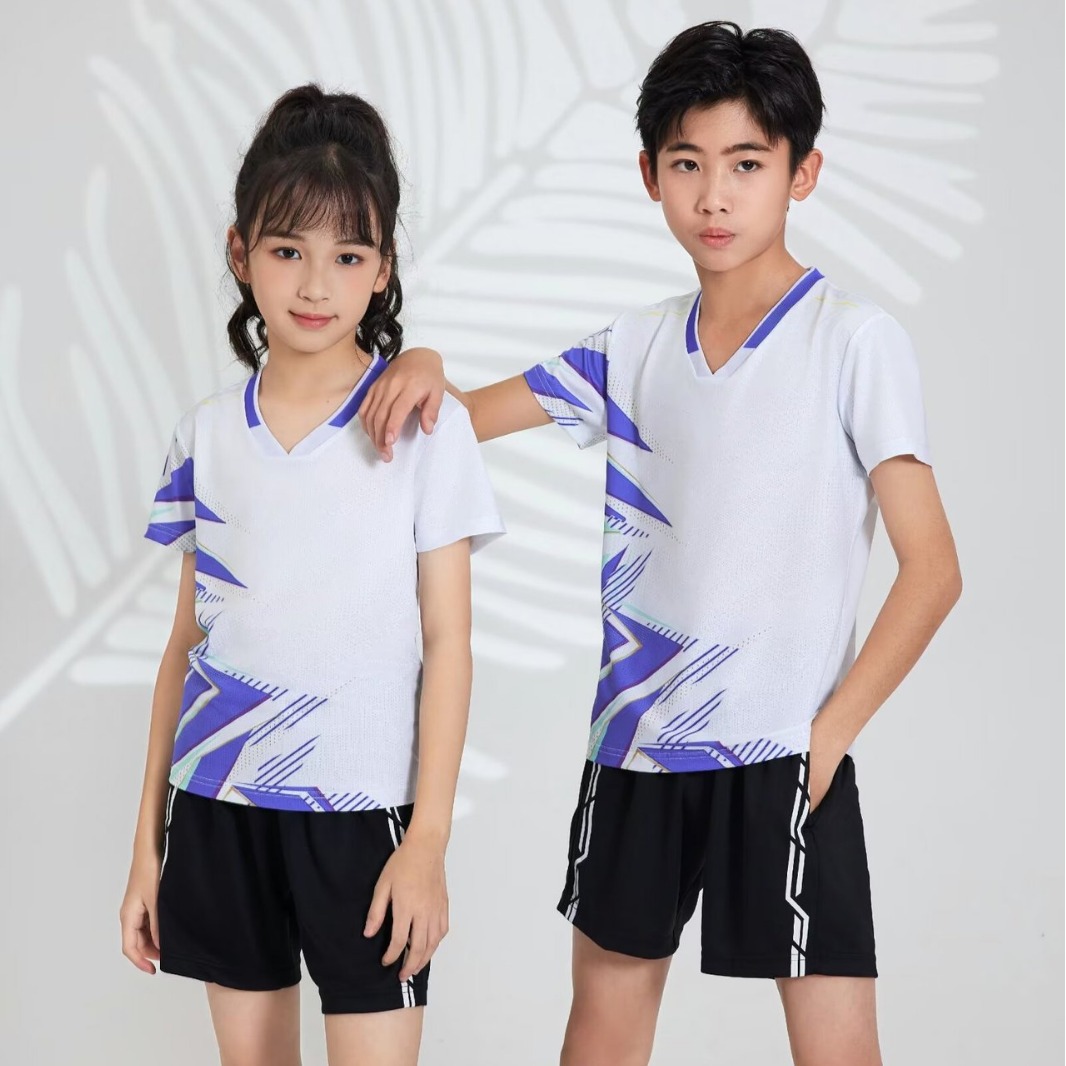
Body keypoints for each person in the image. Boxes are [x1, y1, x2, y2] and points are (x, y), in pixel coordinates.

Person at [358, 22, 962, 1066]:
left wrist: (825, 740)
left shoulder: (851, 342)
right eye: (687, 164)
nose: (714, 196)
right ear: (650, 175)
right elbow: (455, 420)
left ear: (802, 173)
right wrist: (422, 359)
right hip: (633, 752)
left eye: (746, 165)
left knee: (837, 1047)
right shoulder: (632, 347)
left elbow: (934, 569)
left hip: (784, 754)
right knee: (601, 1034)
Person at [118, 85, 504, 1066]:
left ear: (383, 270)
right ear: (240, 251)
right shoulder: (207, 436)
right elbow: (184, 645)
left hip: (364, 820)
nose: (316, 284)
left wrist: (426, 841)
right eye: (288, 250)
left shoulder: (426, 427)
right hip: (219, 809)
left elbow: (450, 643)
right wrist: (147, 849)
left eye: (349, 255)